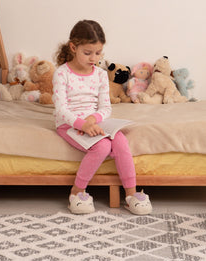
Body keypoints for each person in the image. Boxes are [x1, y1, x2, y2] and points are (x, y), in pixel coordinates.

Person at [52, 19, 152, 215]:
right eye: (87, 53)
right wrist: (82, 124)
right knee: (103, 146)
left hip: (95, 122)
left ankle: (131, 195)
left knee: (121, 142)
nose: (93, 58)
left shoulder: (99, 74)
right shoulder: (61, 74)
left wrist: (93, 120)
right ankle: (77, 191)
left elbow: (105, 107)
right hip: (69, 123)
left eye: (98, 53)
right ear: (73, 47)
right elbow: (61, 109)